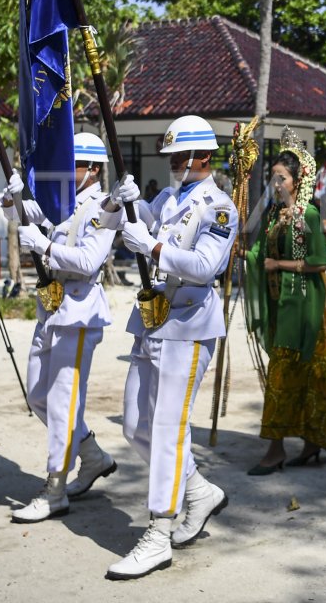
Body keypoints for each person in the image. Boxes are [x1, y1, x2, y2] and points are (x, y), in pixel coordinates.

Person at [99, 114, 236, 580]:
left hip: (189, 326)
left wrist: (153, 248)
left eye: (181, 157)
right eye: (172, 157)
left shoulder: (220, 207)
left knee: (168, 429)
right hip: (152, 320)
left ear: (204, 157)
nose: (175, 164)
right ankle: (199, 491)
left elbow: (204, 266)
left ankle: (158, 531)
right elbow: (116, 226)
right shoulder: (168, 197)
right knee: (136, 425)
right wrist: (119, 204)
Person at [4, 133, 120, 523]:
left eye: (75, 167)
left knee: (63, 401)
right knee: (38, 394)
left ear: (92, 169)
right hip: (51, 307)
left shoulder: (105, 207)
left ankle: (55, 487)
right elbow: (29, 217)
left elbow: (89, 260)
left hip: (80, 310)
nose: (68, 174)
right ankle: (91, 455)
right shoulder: (64, 202)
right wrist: (17, 199)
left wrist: (44, 247)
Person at [244, 136, 326, 474]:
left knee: (300, 375)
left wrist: (278, 266)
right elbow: (260, 253)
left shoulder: (308, 214)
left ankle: (277, 449)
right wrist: (242, 254)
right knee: (294, 374)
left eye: (282, 177)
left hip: (305, 308)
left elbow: (319, 262)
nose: (276, 183)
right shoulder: (274, 215)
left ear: (298, 180)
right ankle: (310, 443)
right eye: (273, 177)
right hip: (281, 306)